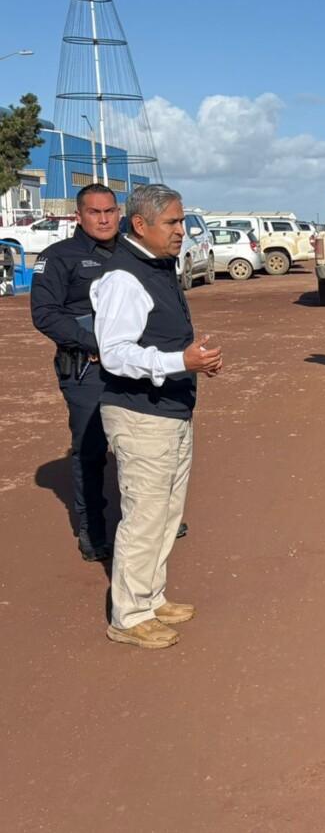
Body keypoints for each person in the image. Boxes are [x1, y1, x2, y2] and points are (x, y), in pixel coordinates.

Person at [90, 185, 224, 649]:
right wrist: (178, 363)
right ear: (140, 225)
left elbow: (158, 340)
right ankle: (128, 616)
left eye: (182, 221)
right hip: (140, 415)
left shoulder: (158, 268)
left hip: (171, 411)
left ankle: (151, 597)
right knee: (144, 515)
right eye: (172, 223)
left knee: (167, 513)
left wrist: (193, 359)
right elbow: (115, 354)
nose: (181, 231)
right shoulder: (124, 277)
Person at [30, 184, 120, 562]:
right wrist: (93, 343)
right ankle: (92, 531)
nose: (103, 219)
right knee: (91, 448)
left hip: (135, 366)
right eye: (95, 212)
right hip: (88, 368)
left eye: (110, 211)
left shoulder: (133, 254)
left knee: (143, 445)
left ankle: (147, 520)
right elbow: (45, 314)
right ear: (79, 216)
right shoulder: (57, 257)